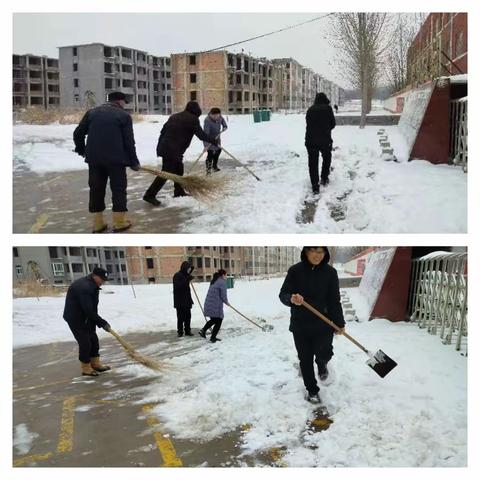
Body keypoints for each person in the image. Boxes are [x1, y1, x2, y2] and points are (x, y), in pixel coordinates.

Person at [279, 247, 345, 404]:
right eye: (313, 250)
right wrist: (291, 299)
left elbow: (334, 300)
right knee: (305, 359)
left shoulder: (330, 273)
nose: (317, 255)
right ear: (306, 252)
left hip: (323, 324)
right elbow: (283, 294)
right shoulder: (295, 271)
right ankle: (312, 390)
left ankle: (322, 363)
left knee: (325, 352)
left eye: (321, 251)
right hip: (300, 325)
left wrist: (339, 323)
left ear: (325, 254)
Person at [73, 91, 140, 233]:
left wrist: (82, 149)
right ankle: (119, 222)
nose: (124, 105)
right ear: (120, 101)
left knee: (96, 189)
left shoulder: (92, 113)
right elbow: (129, 142)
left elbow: (78, 133)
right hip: (116, 160)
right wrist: (134, 162)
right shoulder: (124, 116)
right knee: (118, 189)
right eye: (124, 102)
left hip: (94, 159)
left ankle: (98, 224)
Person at [143, 101, 219, 206]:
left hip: (167, 147)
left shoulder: (174, 116)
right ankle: (149, 195)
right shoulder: (193, 119)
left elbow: (163, 131)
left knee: (179, 168)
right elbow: (201, 135)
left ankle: (178, 191)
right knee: (166, 173)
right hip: (173, 150)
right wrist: (213, 140)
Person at [63, 267, 113, 377]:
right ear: (94, 276)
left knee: (94, 340)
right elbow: (88, 309)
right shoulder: (84, 287)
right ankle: (86, 368)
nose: (103, 282)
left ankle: (95, 364)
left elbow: (91, 309)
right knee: (85, 342)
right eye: (102, 279)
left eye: (105, 279)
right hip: (76, 318)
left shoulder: (93, 285)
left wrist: (97, 321)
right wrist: (102, 322)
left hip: (87, 317)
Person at [305, 92, 336, 194]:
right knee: (327, 158)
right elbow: (333, 124)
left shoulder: (310, 109)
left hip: (311, 140)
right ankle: (324, 177)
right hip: (324, 139)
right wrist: (326, 129)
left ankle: (314, 185)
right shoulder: (328, 109)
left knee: (312, 162)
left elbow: (308, 123)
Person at [199, 269, 229, 343]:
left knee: (214, 320)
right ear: (223, 275)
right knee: (219, 320)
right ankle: (212, 337)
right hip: (215, 305)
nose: (226, 277)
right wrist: (226, 302)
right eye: (226, 275)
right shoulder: (222, 282)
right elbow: (223, 295)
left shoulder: (215, 280)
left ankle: (203, 330)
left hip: (209, 304)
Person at [173, 261, 195, 337]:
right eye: (188, 268)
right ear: (184, 268)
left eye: (190, 269)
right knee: (180, 317)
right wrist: (187, 280)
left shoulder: (186, 276)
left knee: (188, 316)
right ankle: (180, 332)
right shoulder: (177, 275)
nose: (189, 270)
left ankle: (188, 331)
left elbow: (186, 289)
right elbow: (178, 286)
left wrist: (188, 278)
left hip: (187, 301)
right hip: (180, 301)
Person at [203, 107, 228, 174]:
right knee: (210, 154)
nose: (217, 117)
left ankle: (214, 166)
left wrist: (225, 126)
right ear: (211, 114)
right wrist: (206, 146)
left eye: (218, 115)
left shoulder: (220, 117)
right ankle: (208, 170)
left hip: (217, 138)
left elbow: (223, 121)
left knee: (218, 150)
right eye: (215, 116)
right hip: (210, 139)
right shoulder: (207, 120)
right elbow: (205, 134)